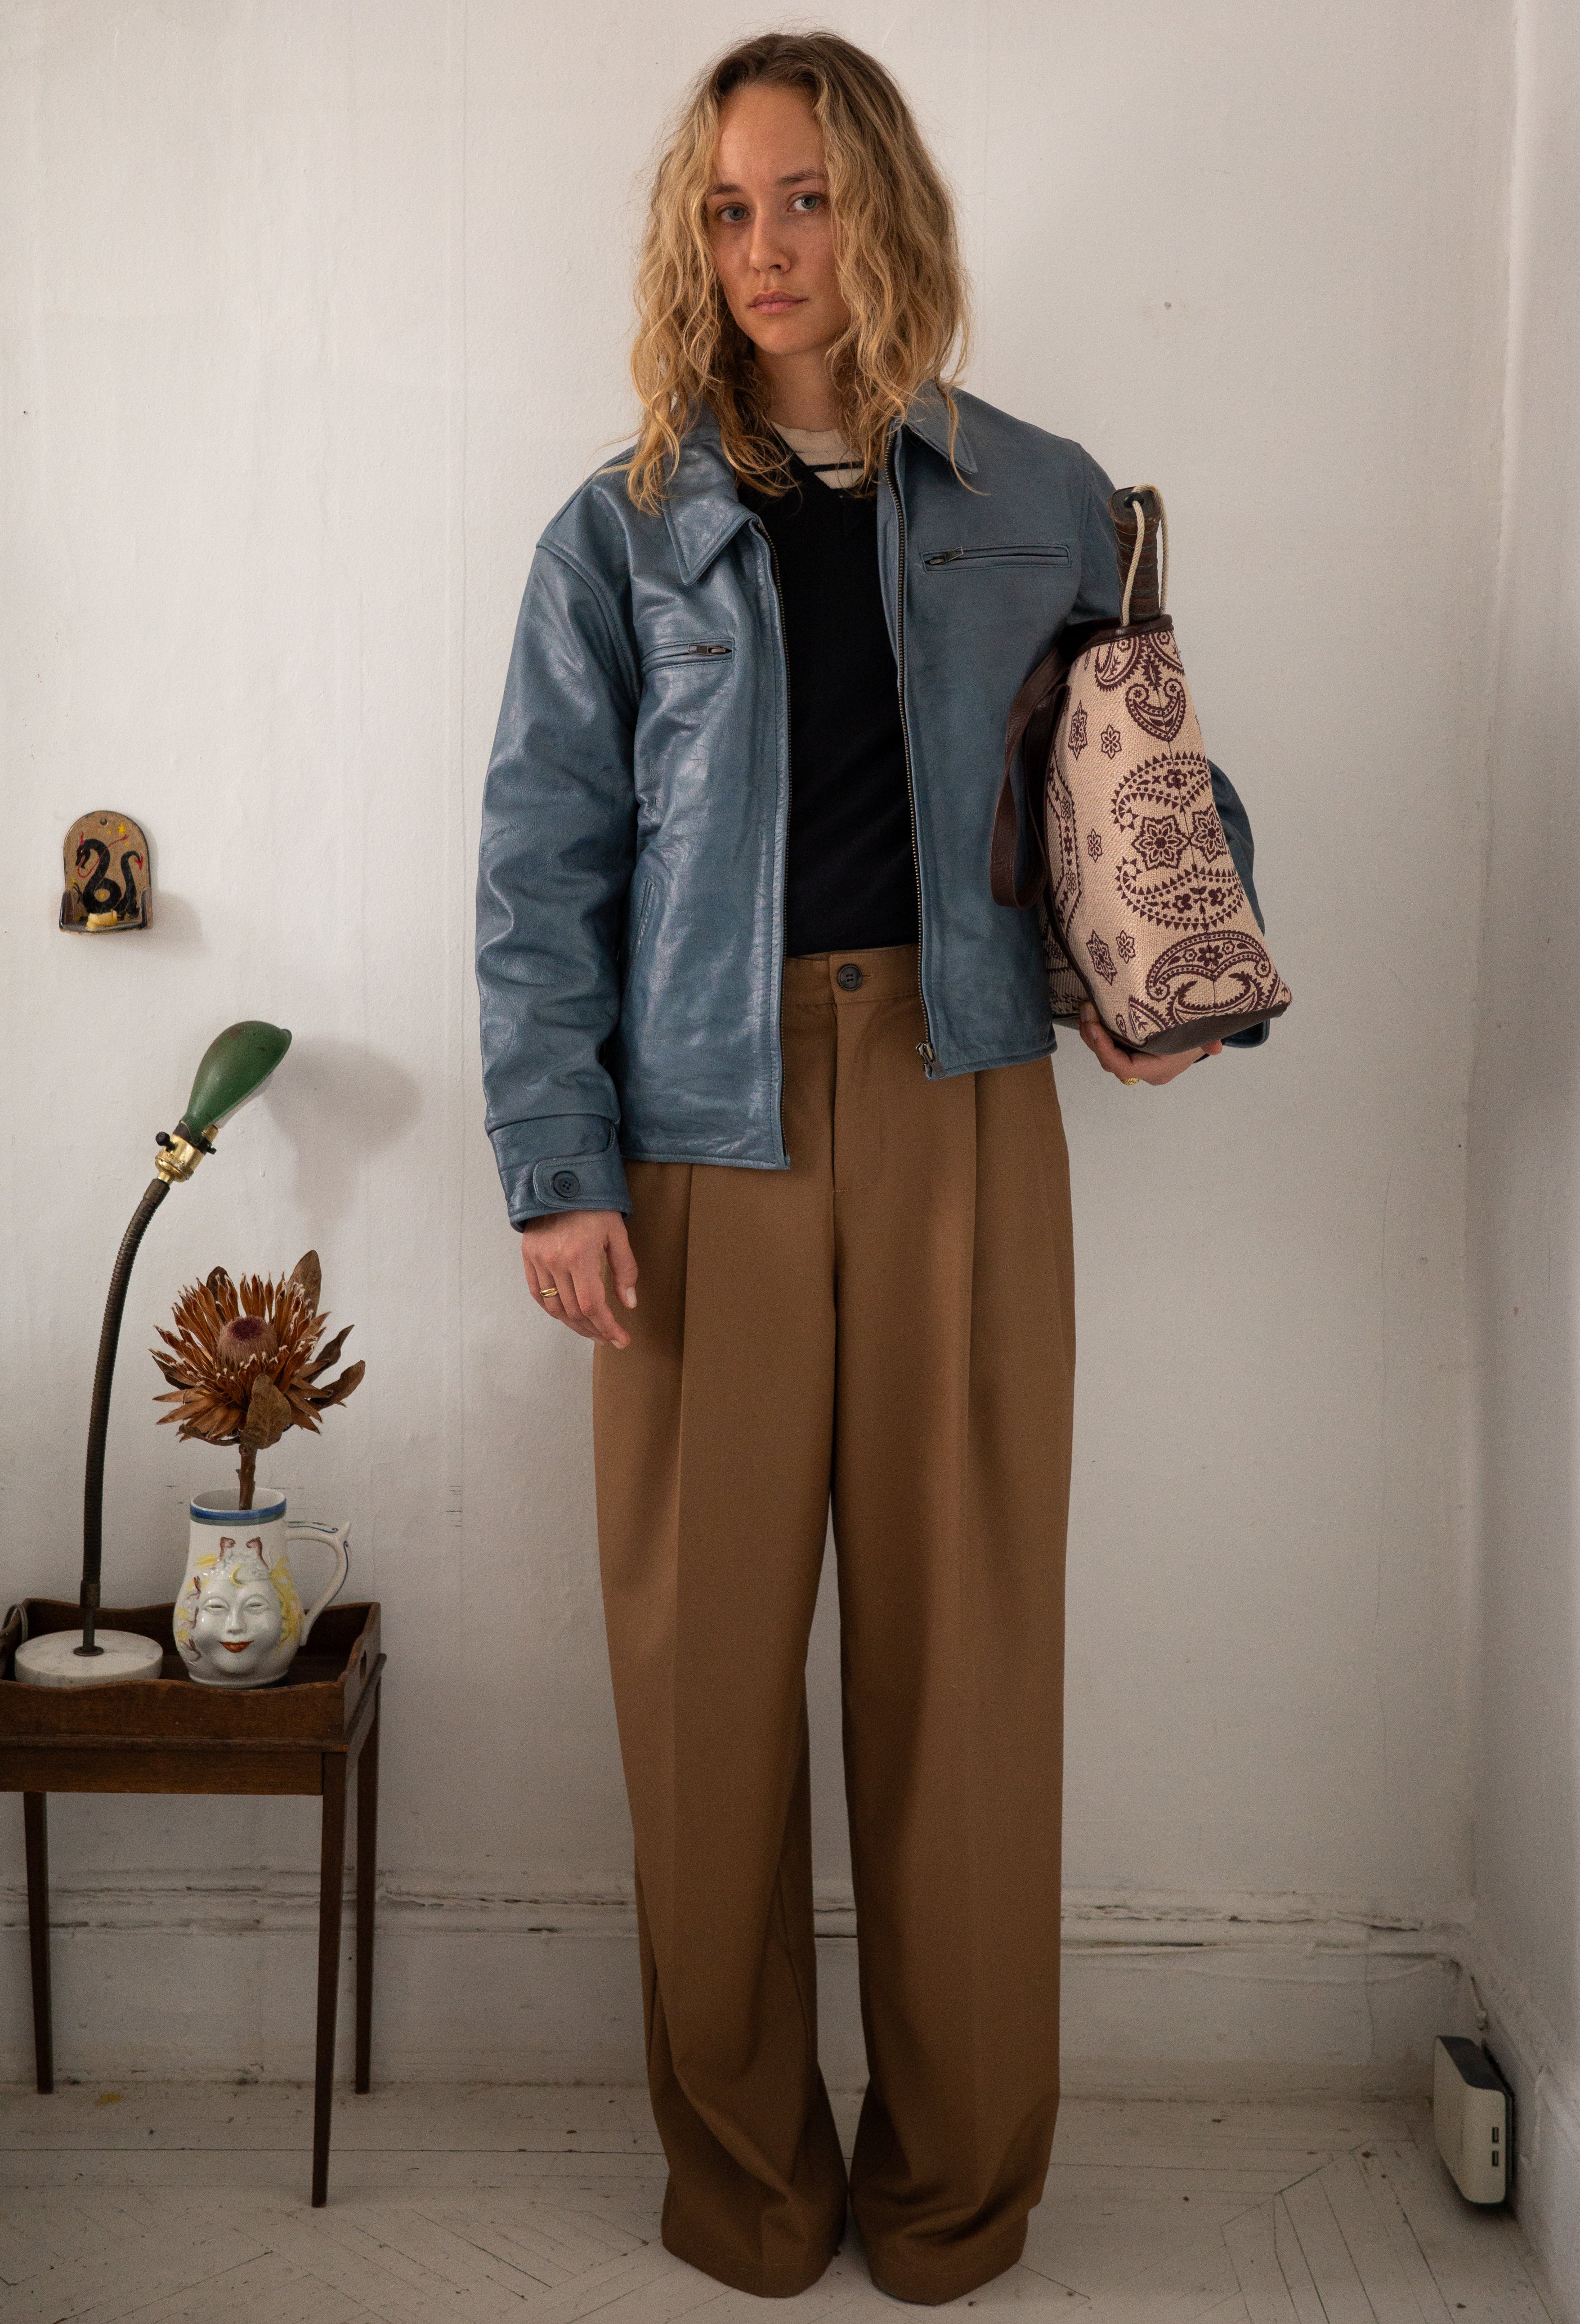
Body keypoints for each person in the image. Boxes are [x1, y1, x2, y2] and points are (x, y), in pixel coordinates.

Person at [475, 28, 1268, 2305]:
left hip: (961, 1107)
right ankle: (746, 2184)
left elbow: (1151, 770)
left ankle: (952, 2195)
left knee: (965, 1671)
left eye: (803, 199)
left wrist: (1167, 975)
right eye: (726, 211)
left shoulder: (1039, 487)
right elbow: (543, 868)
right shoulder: (621, 524)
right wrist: (556, 1164)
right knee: (702, 1689)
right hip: (694, 1139)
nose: (765, 251)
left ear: (882, 205)